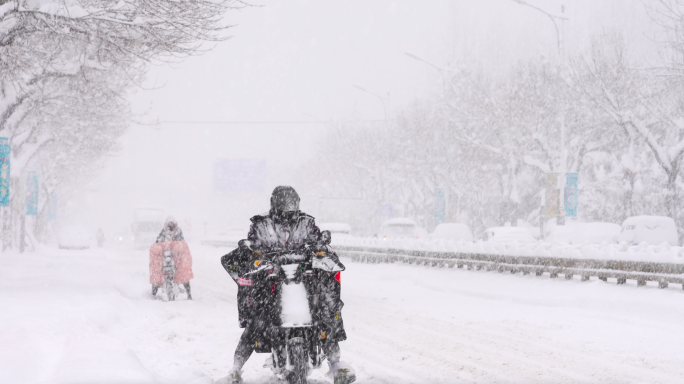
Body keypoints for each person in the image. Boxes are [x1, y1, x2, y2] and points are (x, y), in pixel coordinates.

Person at [220, 186, 355, 384]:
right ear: (275, 203)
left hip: (305, 280)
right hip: (270, 282)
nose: (288, 207)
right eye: (284, 203)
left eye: (292, 203)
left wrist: (320, 250)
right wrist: (255, 255)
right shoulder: (261, 223)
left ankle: (336, 365)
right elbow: (252, 245)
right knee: (256, 320)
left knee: (325, 313)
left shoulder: (307, 222)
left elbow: (318, 243)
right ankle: (235, 370)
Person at [149, 217, 194, 299]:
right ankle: (153, 293)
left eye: (172, 224)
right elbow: (158, 241)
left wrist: (178, 248)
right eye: (169, 224)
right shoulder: (163, 232)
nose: (171, 226)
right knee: (157, 271)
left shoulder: (178, 232)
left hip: (176, 256)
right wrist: (158, 247)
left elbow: (182, 243)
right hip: (165, 255)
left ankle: (189, 294)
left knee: (183, 273)